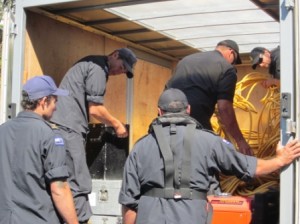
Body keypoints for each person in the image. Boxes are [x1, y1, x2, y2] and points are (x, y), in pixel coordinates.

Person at [119, 88, 300, 224]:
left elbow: (129, 201)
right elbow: (250, 167)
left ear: (159, 112)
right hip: (193, 217)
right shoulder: (210, 141)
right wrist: (281, 160)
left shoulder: (140, 147)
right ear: (188, 109)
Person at [50, 48, 137, 222]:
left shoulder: (92, 64)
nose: (120, 72)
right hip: (69, 127)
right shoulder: (97, 68)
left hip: (65, 126)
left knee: (68, 177)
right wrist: (117, 124)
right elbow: (95, 109)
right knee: (80, 181)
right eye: (122, 66)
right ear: (115, 55)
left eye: (124, 71)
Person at [0, 75, 78, 224]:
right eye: (55, 100)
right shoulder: (51, 136)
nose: (55, 107)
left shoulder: (2, 131)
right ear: (43, 101)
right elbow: (59, 189)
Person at [165, 39, 253, 156]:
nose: (233, 64)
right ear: (231, 52)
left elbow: (167, 88)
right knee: (210, 156)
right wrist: (241, 141)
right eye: (235, 61)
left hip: (167, 119)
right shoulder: (227, 68)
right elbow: (224, 108)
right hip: (195, 121)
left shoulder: (186, 60)